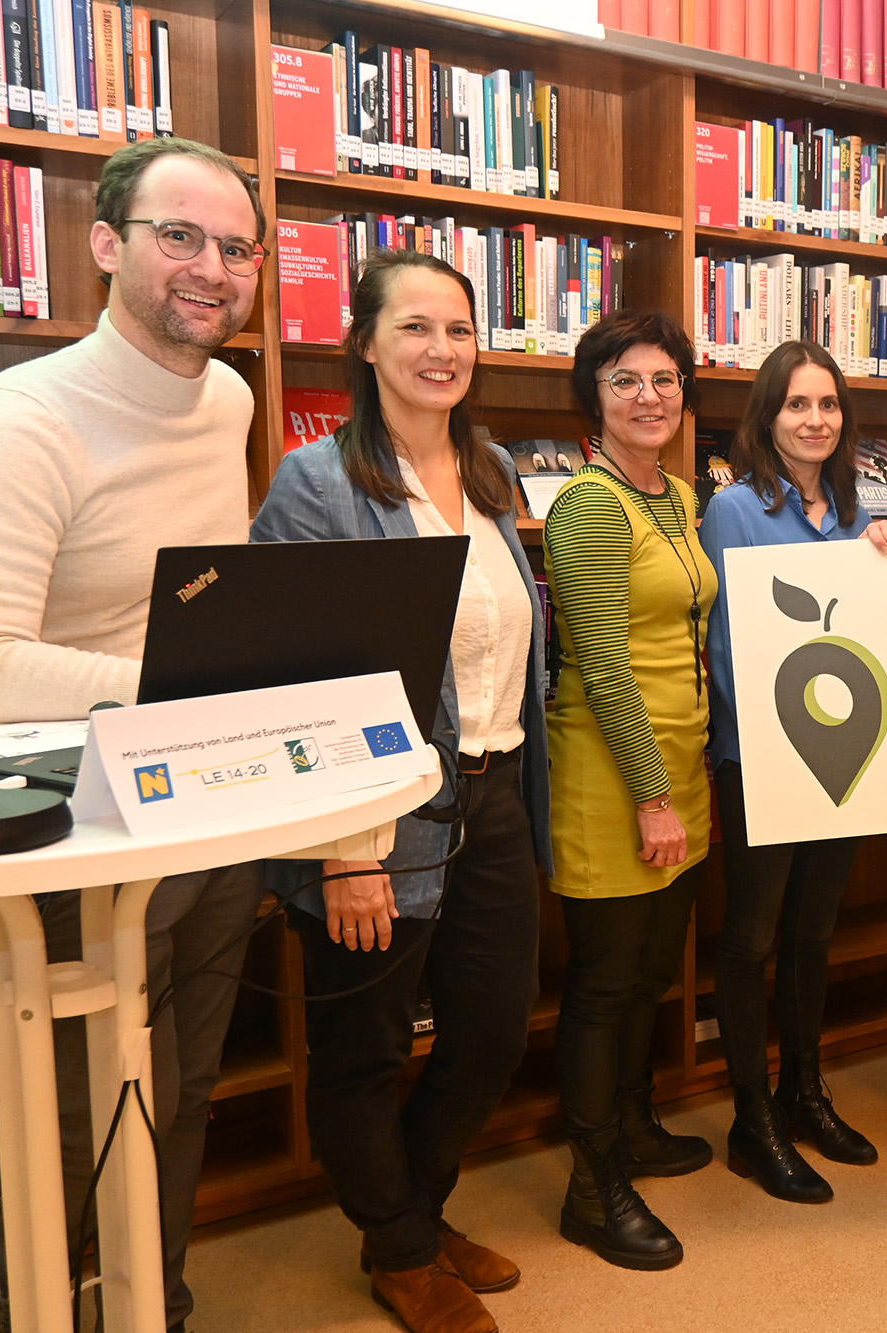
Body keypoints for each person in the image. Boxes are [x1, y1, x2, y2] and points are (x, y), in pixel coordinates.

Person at [0, 137, 268, 1333]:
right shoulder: (21, 418)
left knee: (179, 1090)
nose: (211, 268)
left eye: (235, 247)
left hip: (208, 793)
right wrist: (195, 678)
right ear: (106, 246)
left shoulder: (230, 397)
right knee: (72, 1111)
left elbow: (198, 588)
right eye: (179, 237)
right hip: (78, 825)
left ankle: (156, 1302)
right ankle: (17, 1316)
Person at [250, 249, 552, 1333]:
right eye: (415, 328)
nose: (441, 350)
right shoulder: (318, 483)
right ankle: (401, 1247)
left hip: (499, 788)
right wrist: (345, 847)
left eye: (459, 330)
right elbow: (298, 675)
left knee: (492, 1027)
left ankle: (413, 1210)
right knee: (367, 1045)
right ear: (366, 344)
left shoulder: (492, 473)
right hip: (381, 810)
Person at [699, 339, 887, 1203]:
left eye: (828, 405)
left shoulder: (865, 512)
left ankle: (803, 1090)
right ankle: (753, 1118)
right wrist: (778, 741)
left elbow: (885, 627)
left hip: (843, 760)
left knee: (816, 931)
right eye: (796, 406)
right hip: (764, 761)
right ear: (767, 417)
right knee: (754, 936)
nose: (815, 420)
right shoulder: (736, 509)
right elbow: (727, 646)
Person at [544, 309, 714, 1269]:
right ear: (594, 399)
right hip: (616, 774)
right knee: (606, 985)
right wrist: (653, 793)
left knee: (651, 968)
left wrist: (679, 779)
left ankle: (637, 1125)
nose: (649, 397)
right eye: (625, 381)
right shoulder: (589, 505)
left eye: (663, 380)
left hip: (677, 764)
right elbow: (603, 663)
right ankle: (592, 1182)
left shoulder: (676, 496)